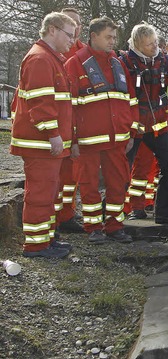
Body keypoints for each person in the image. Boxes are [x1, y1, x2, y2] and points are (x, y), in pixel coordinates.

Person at [9, 12, 76, 258]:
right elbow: (41, 103)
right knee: (40, 193)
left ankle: (45, 239)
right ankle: (36, 246)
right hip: (40, 143)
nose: (72, 40)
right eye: (69, 34)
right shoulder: (40, 59)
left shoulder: (50, 58)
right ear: (52, 30)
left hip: (44, 143)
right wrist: (53, 133)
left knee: (49, 193)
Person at [64, 16, 136, 244]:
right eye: (108, 37)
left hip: (117, 139)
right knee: (89, 186)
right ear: (93, 36)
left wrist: (131, 132)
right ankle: (94, 227)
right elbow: (68, 107)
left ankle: (115, 226)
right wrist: (73, 140)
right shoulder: (74, 64)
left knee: (119, 183)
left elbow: (131, 100)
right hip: (88, 141)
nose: (113, 41)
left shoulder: (118, 63)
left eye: (114, 37)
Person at [120, 23, 168, 224]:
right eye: (149, 44)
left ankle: (164, 213)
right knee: (121, 169)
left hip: (159, 125)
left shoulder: (162, 59)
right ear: (137, 44)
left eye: (155, 42)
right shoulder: (125, 61)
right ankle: (115, 214)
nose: (155, 47)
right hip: (134, 125)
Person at [56, 7, 88, 233]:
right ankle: (51, 218)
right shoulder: (50, 51)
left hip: (77, 123)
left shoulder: (84, 53)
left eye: (77, 23)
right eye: (69, 23)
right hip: (55, 122)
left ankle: (67, 215)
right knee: (52, 176)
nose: (74, 28)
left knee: (72, 175)